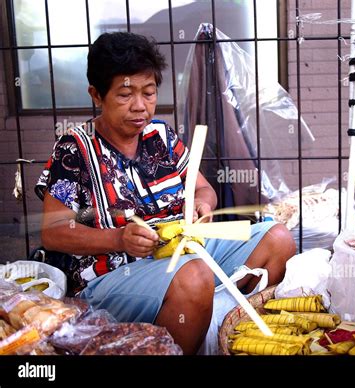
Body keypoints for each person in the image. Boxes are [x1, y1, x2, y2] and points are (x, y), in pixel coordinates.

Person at [35, 32, 296, 355]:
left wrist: (202, 203)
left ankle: (217, 327)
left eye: (149, 92)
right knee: (194, 276)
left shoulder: (161, 136)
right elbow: (53, 232)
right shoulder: (74, 149)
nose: (140, 106)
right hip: (117, 270)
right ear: (97, 95)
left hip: (186, 251)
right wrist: (118, 239)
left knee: (278, 239)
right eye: (125, 95)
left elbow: (202, 187)